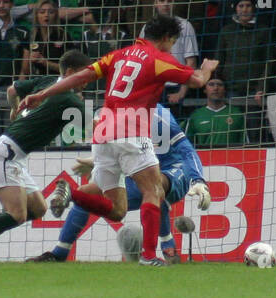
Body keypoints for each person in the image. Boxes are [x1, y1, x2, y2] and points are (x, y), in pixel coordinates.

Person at [20, 14, 218, 265]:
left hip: (103, 132)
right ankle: (148, 256)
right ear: (167, 39)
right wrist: (207, 68)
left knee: (116, 210)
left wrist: (43, 94)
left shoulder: (118, 55)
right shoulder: (160, 59)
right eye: (173, 42)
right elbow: (198, 81)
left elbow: (80, 77)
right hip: (132, 131)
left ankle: (72, 192)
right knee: (153, 190)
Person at [0, 49, 91, 259]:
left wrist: (13, 111)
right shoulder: (68, 98)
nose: (87, 80)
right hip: (3, 154)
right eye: (84, 75)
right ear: (70, 72)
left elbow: (12, 89)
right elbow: (96, 126)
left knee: (39, 208)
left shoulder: (48, 81)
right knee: (17, 214)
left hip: (13, 154)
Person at [29, 103, 214, 263]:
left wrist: (197, 180)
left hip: (172, 169)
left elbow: (186, 150)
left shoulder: (158, 115)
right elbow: (110, 156)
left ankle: (165, 245)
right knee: (88, 194)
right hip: (137, 171)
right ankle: (59, 253)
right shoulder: (107, 116)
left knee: (154, 188)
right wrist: (95, 163)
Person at [185, 77, 246, 146]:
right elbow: (187, 146)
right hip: (205, 156)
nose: (216, 88)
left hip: (231, 156)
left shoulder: (236, 113)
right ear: (205, 90)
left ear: (225, 90)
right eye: (211, 84)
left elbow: (245, 144)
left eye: (220, 85)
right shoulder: (196, 116)